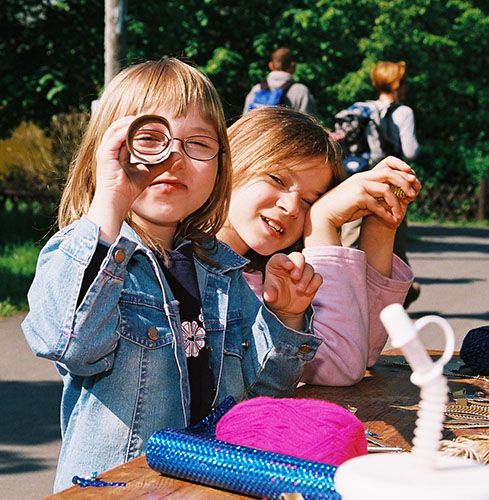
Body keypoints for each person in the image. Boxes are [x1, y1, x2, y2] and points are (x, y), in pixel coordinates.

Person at [21, 58, 324, 491]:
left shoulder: (222, 271)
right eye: (150, 139)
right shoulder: (86, 252)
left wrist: (287, 317)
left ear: (221, 164)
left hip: (207, 486)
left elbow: (260, 398)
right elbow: (69, 342)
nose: (174, 157)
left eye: (198, 144)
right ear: (107, 152)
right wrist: (110, 201)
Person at [218, 107, 421, 386]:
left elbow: (361, 350)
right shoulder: (196, 271)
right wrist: (322, 219)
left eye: (309, 201)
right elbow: (341, 364)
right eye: (278, 179)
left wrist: (379, 227)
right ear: (231, 160)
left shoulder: (264, 274)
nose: (291, 207)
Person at [341, 60, 420, 307]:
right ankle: (401, 293)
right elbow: (411, 150)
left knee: (350, 242)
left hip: (358, 181)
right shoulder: (403, 112)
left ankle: (346, 296)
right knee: (392, 242)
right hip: (390, 184)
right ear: (398, 84)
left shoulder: (362, 108)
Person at [243, 47, 317, 116]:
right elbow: (310, 123)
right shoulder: (301, 91)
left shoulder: (256, 89)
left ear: (270, 65)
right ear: (293, 66)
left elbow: (244, 120)